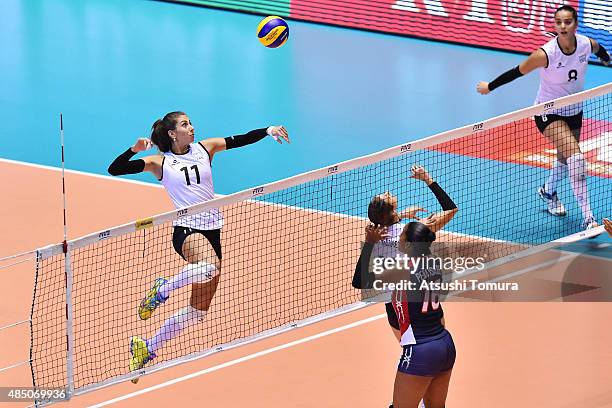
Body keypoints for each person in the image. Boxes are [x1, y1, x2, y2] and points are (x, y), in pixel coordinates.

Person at [107, 111, 290, 379]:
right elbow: (115, 169)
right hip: (186, 230)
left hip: (213, 232)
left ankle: (147, 348)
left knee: (197, 313)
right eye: (185, 124)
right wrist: (133, 150)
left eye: (190, 123)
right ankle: (162, 290)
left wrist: (267, 130)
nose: (192, 127)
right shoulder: (160, 162)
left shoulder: (206, 148)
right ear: (172, 133)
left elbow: (240, 140)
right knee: (209, 267)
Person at [476, 5, 609, 232]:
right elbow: (517, 71)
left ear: (575, 24)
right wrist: (490, 86)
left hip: (574, 110)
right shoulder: (545, 53)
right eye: (558, 22)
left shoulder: (586, 44)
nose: (562, 26)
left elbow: (600, 49)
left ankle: (548, 191)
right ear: (555, 25)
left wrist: (606, 60)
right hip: (548, 112)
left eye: (567, 22)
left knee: (565, 158)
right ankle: (589, 219)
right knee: (576, 158)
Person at [353, 165, 458, 408]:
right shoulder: (423, 250)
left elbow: (360, 282)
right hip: (438, 330)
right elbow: (450, 210)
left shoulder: (378, 243)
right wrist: (428, 180)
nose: (387, 191)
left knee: (410, 354)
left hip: (400, 313)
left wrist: (369, 244)